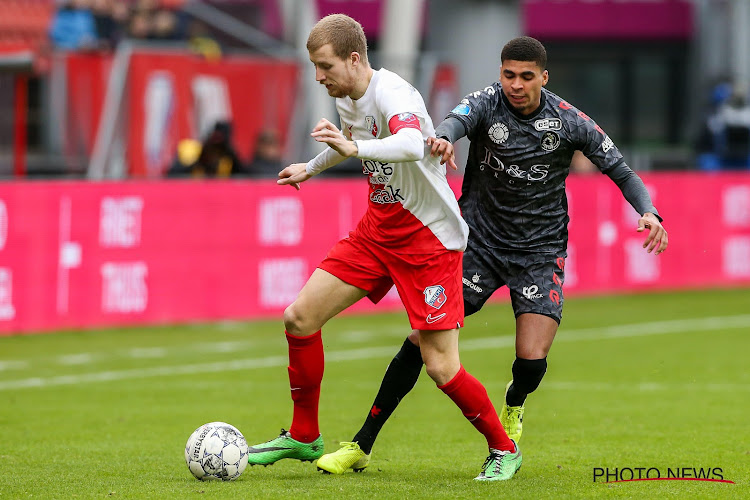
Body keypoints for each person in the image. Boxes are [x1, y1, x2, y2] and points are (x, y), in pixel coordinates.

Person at [317, 36, 669, 475]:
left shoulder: (569, 122)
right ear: (500, 73)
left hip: (540, 252)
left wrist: (649, 212)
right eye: (508, 75)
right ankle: (361, 444)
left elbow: (620, 169)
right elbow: (451, 123)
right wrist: (443, 139)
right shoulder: (486, 102)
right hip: (478, 246)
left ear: (543, 77)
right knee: (422, 343)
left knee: (532, 359)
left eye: (525, 76)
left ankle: (514, 403)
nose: (515, 85)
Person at [245, 14, 520, 482]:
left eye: (325, 66)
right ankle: (304, 435)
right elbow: (353, 141)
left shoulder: (393, 93)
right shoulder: (349, 93)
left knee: (440, 366)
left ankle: (503, 447)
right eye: (314, 66)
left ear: (354, 59)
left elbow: (412, 143)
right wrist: (311, 167)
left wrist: (355, 152)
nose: (319, 76)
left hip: (427, 241)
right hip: (377, 233)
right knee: (299, 317)